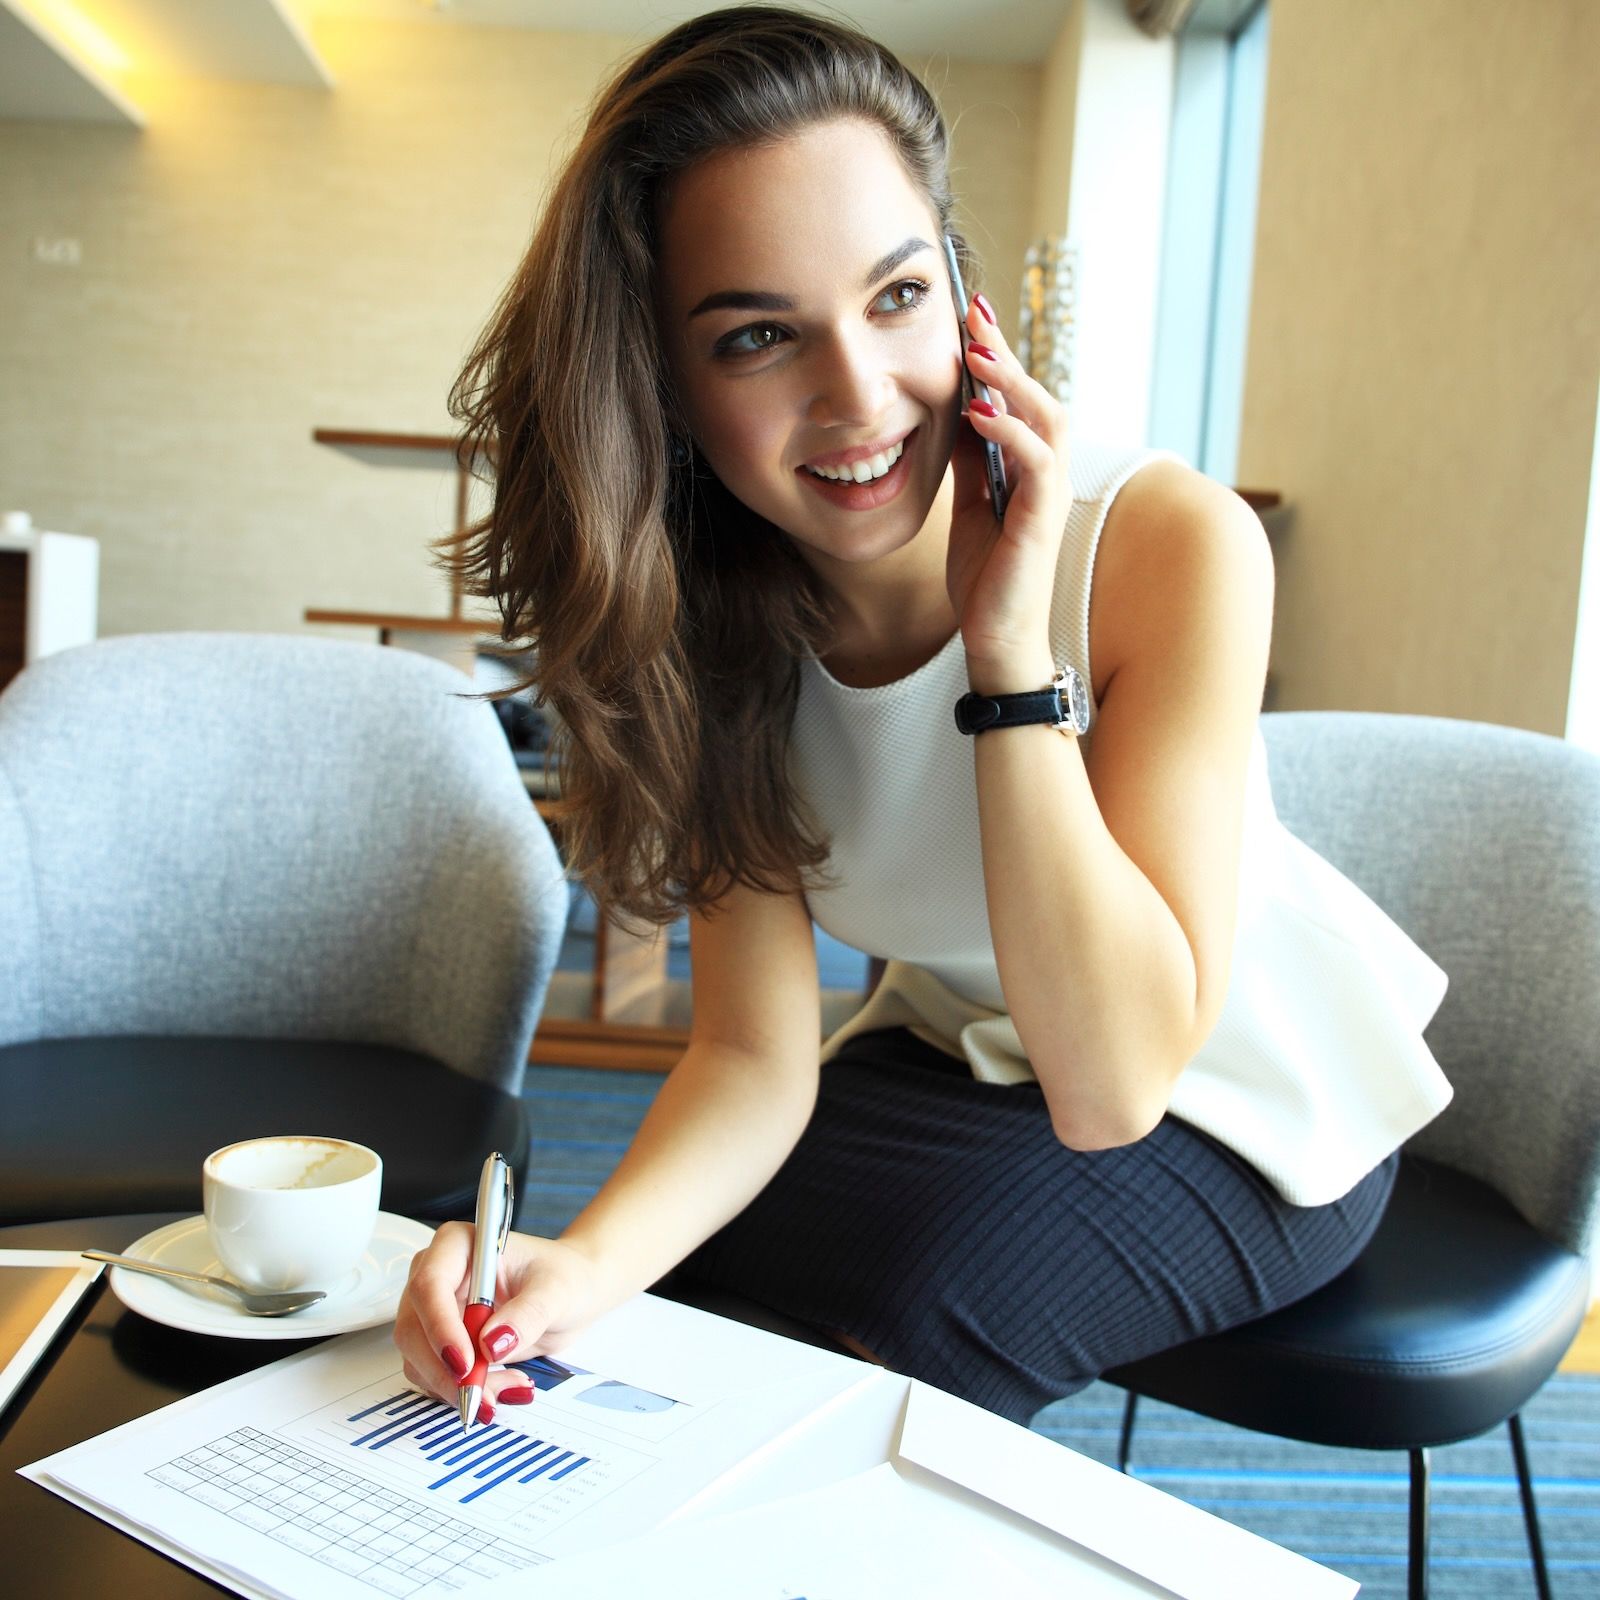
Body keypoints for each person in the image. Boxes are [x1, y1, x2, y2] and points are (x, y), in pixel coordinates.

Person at [395, 4, 1452, 1428]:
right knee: (680, 1323)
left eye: (895, 297)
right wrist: (579, 1265)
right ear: (663, 381)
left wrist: (1007, 647)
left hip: (1238, 1095)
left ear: (960, 295)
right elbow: (754, 1051)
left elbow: (1115, 1083)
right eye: (760, 335)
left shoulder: (1167, 548)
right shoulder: (701, 620)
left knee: (885, 1338)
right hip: (956, 1047)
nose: (859, 397)